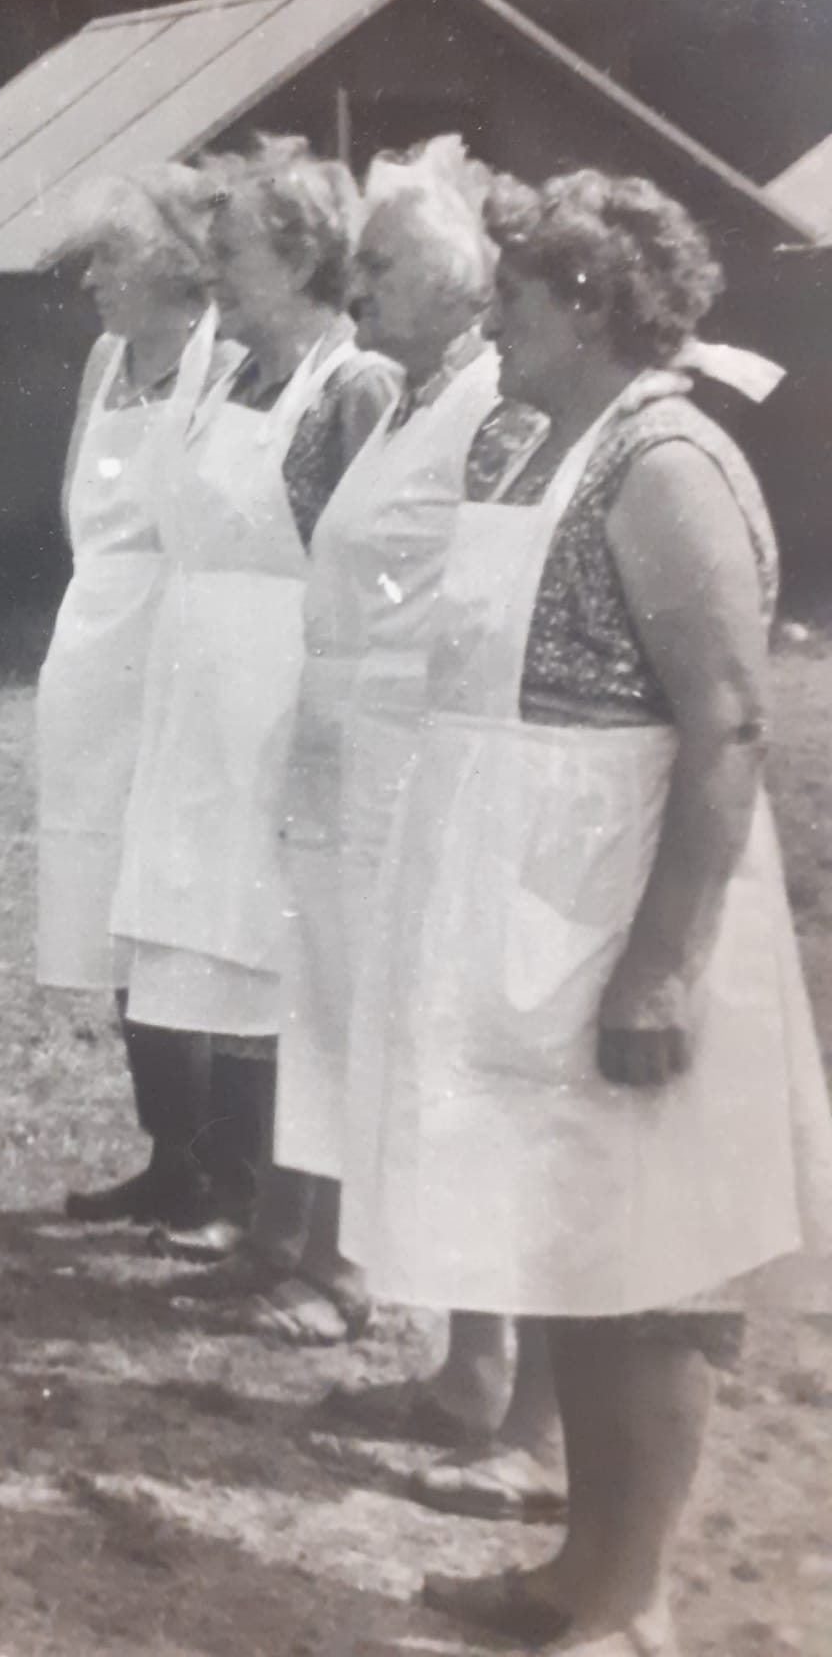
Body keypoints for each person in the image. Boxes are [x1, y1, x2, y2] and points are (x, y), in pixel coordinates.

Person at [338, 171, 832, 1657]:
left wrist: (665, 967)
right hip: (523, 896)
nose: (489, 319)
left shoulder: (668, 462)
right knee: (563, 1235)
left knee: (652, 1256)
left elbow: (729, 722)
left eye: (512, 296)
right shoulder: (529, 440)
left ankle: (634, 1598)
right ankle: (577, 1567)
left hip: (626, 899)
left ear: (589, 303)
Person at [277, 141, 565, 1503]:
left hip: (426, 757)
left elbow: (489, 597)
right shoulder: (403, 398)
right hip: (357, 744)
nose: (359, 287)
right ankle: (465, 1356)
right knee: (382, 1036)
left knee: (448, 1048)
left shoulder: (497, 409)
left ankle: (491, 1366)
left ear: (461, 281)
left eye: (384, 266)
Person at [113, 136, 397, 1265]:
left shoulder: (353, 386)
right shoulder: (228, 376)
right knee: (212, 945)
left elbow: (375, 571)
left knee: (277, 949)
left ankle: (296, 1221)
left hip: (285, 693)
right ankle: (237, 1192)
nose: (211, 272)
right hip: (198, 689)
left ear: (303, 255)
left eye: (231, 252)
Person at [35, 167, 231, 1229]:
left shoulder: (226, 359)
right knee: (115, 909)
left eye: (110, 257)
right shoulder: (105, 362)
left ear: (172, 261)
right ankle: (169, 1151)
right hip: (95, 655)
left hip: (182, 655)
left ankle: (224, 1167)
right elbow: (77, 510)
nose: (92, 281)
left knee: (186, 906)